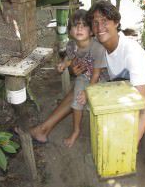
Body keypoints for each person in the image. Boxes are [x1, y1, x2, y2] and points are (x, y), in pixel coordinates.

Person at [30, 9, 107, 147]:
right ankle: (76, 131)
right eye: (75, 25)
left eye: (84, 25)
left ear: (91, 32)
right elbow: (70, 58)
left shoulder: (97, 48)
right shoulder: (71, 45)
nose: (79, 28)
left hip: (100, 79)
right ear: (70, 31)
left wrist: (88, 91)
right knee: (77, 98)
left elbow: (96, 74)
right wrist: (63, 64)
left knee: (83, 93)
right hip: (84, 77)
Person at [85, 0, 145, 142]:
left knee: (107, 105)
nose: (99, 27)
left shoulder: (130, 52)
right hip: (121, 84)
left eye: (105, 21)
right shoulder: (101, 47)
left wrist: (131, 147)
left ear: (116, 22)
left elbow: (144, 107)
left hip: (144, 90)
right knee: (87, 87)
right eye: (95, 22)